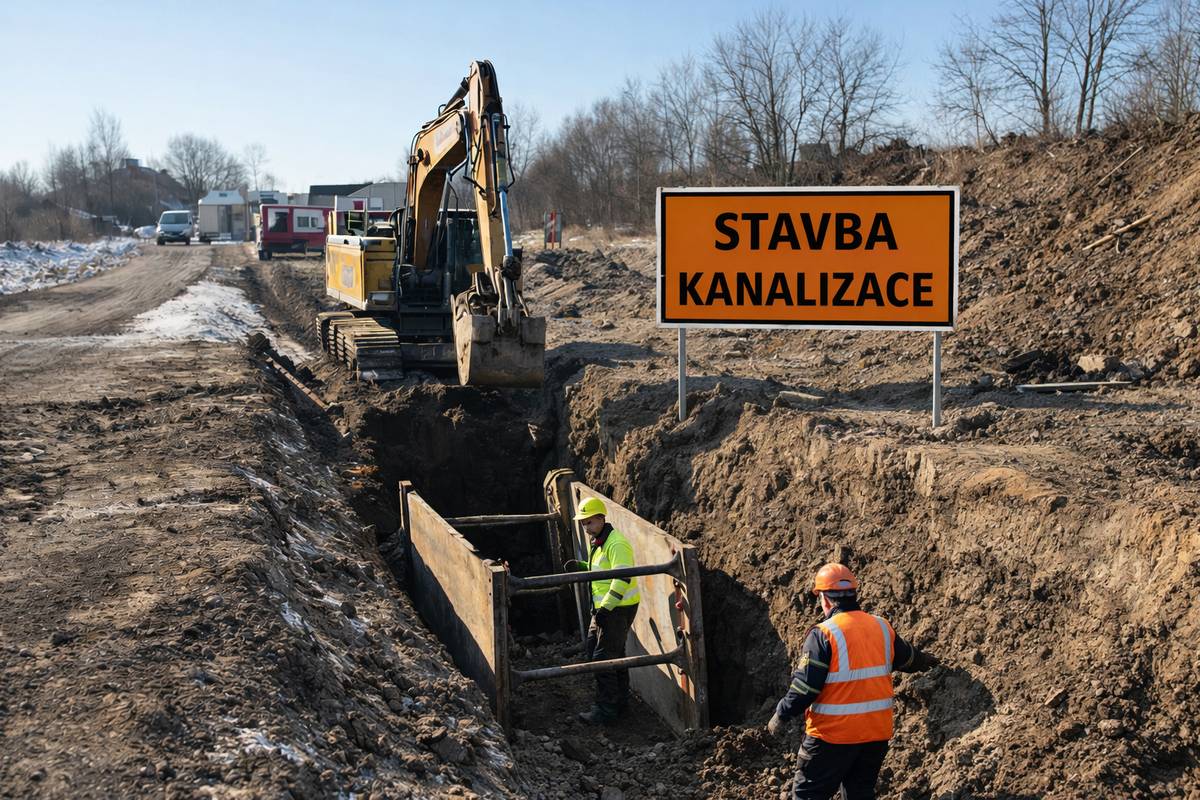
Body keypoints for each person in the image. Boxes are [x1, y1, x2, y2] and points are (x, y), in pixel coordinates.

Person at [767, 563, 940, 800]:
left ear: (825, 599)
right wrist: (931, 662)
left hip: (832, 737)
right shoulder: (880, 626)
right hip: (875, 735)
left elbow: (805, 687)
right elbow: (908, 658)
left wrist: (782, 714)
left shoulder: (823, 634)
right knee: (859, 794)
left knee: (808, 794)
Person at [564, 497, 640, 724]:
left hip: (617, 608)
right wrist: (583, 567)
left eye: (589, 522)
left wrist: (606, 608)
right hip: (605, 609)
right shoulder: (600, 541)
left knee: (603, 658)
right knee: (605, 654)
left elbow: (622, 577)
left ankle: (607, 711)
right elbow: (603, 570)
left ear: (601, 518)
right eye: (583, 523)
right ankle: (620, 703)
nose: (586, 527)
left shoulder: (615, 543)